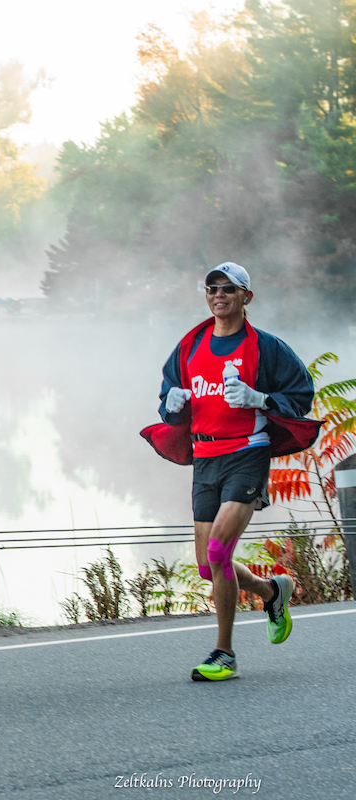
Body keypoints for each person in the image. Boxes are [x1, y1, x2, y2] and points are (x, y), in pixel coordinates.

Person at [141, 262, 321, 682]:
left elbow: (301, 393)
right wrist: (171, 404)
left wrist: (260, 398)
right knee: (207, 564)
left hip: (248, 454)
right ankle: (270, 591)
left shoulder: (266, 347)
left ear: (246, 297)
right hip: (205, 458)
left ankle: (225, 654)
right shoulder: (190, 346)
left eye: (229, 288)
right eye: (212, 287)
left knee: (220, 552)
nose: (218, 294)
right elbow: (168, 393)